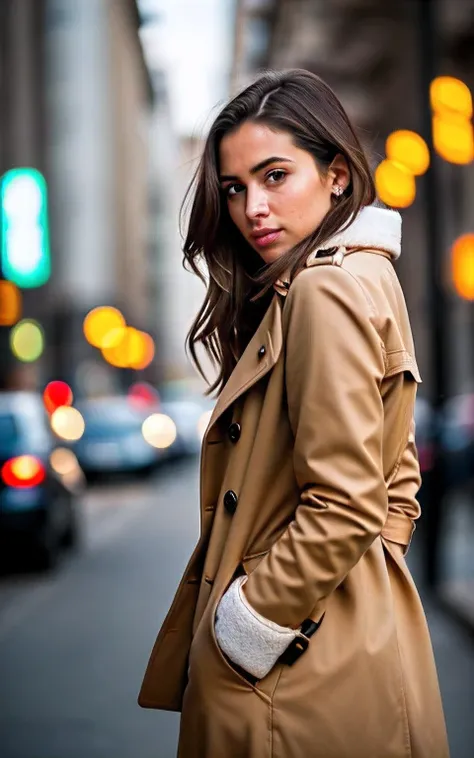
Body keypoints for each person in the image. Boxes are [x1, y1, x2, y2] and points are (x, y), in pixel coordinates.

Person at [138, 69, 449, 758]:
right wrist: (368, 580)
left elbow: (345, 501)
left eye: (276, 176)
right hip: (350, 640)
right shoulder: (370, 273)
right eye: (236, 187)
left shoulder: (322, 291)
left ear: (336, 175)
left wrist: (249, 626)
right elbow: (396, 479)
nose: (254, 207)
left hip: (289, 672)